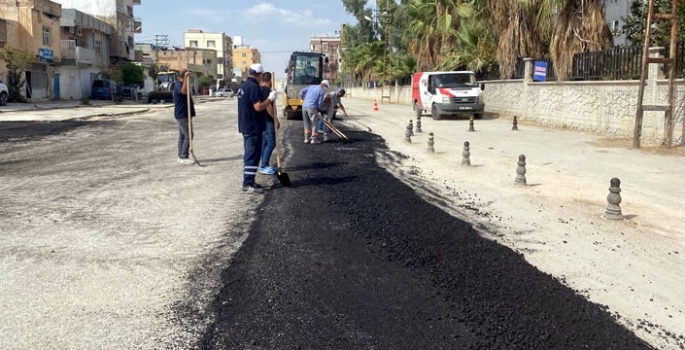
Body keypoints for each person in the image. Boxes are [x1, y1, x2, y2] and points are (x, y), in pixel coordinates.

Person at [237, 63, 278, 193]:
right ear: (259, 74)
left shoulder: (243, 86)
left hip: (246, 125)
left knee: (251, 155)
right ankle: (247, 184)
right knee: (252, 155)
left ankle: (250, 181)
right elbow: (258, 107)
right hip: (253, 126)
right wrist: (270, 99)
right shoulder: (254, 87)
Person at [173, 69, 196, 165]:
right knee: (189, 135)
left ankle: (180, 156)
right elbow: (183, 92)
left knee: (182, 135)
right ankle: (183, 156)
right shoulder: (178, 85)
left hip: (184, 114)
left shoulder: (181, 84)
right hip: (182, 115)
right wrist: (186, 78)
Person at [259, 72, 280, 175]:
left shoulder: (259, 90)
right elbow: (268, 107)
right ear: (270, 80)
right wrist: (275, 119)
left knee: (265, 143)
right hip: (267, 121)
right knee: (272, 142)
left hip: (261, 120)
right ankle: (264, 166)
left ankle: (264, 164)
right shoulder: (267, 91)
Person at [299, 79, 329, 144]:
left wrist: (302, 99)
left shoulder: (311, 86)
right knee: (314, 124)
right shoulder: (321, 91)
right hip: (312, 107)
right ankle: (314, 139)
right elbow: (320, 103)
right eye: (326, 86)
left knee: (306, 123)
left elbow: (301, 91)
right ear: (324, 84)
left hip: (304, 107)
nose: (325, 88)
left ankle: (306, 138)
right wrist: (318, 109)